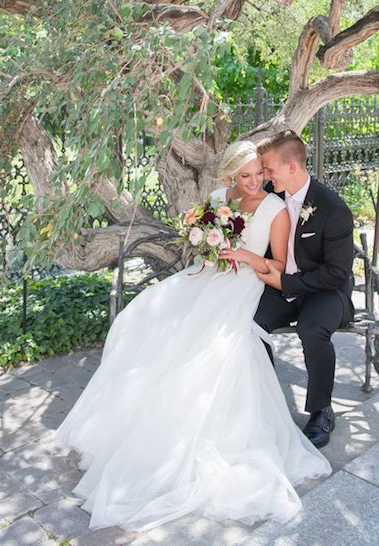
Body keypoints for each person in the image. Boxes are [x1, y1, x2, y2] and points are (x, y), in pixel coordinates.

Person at [55, 140, 331, 532]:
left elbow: (279, 266)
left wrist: (246, 258)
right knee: (146, 318)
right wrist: (209, 247)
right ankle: (144, 427)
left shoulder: (275, 209)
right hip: (209, 278)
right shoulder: (218, 199)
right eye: (245, 175)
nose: (254, 182)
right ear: (231, 175)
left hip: (244, 285)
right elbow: (202, 248)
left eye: (258, 173)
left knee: (213, 345)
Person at [253, 130, 355, 449]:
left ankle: (321, 409)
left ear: (292, 168)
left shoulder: (331, 207)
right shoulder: (269, 195)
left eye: (269, 168)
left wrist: (288, 283)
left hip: (326, 292)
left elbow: (337, 273)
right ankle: (265, 403)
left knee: (312, 330)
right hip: (282, 286)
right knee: (249, 325)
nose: (265, 175)